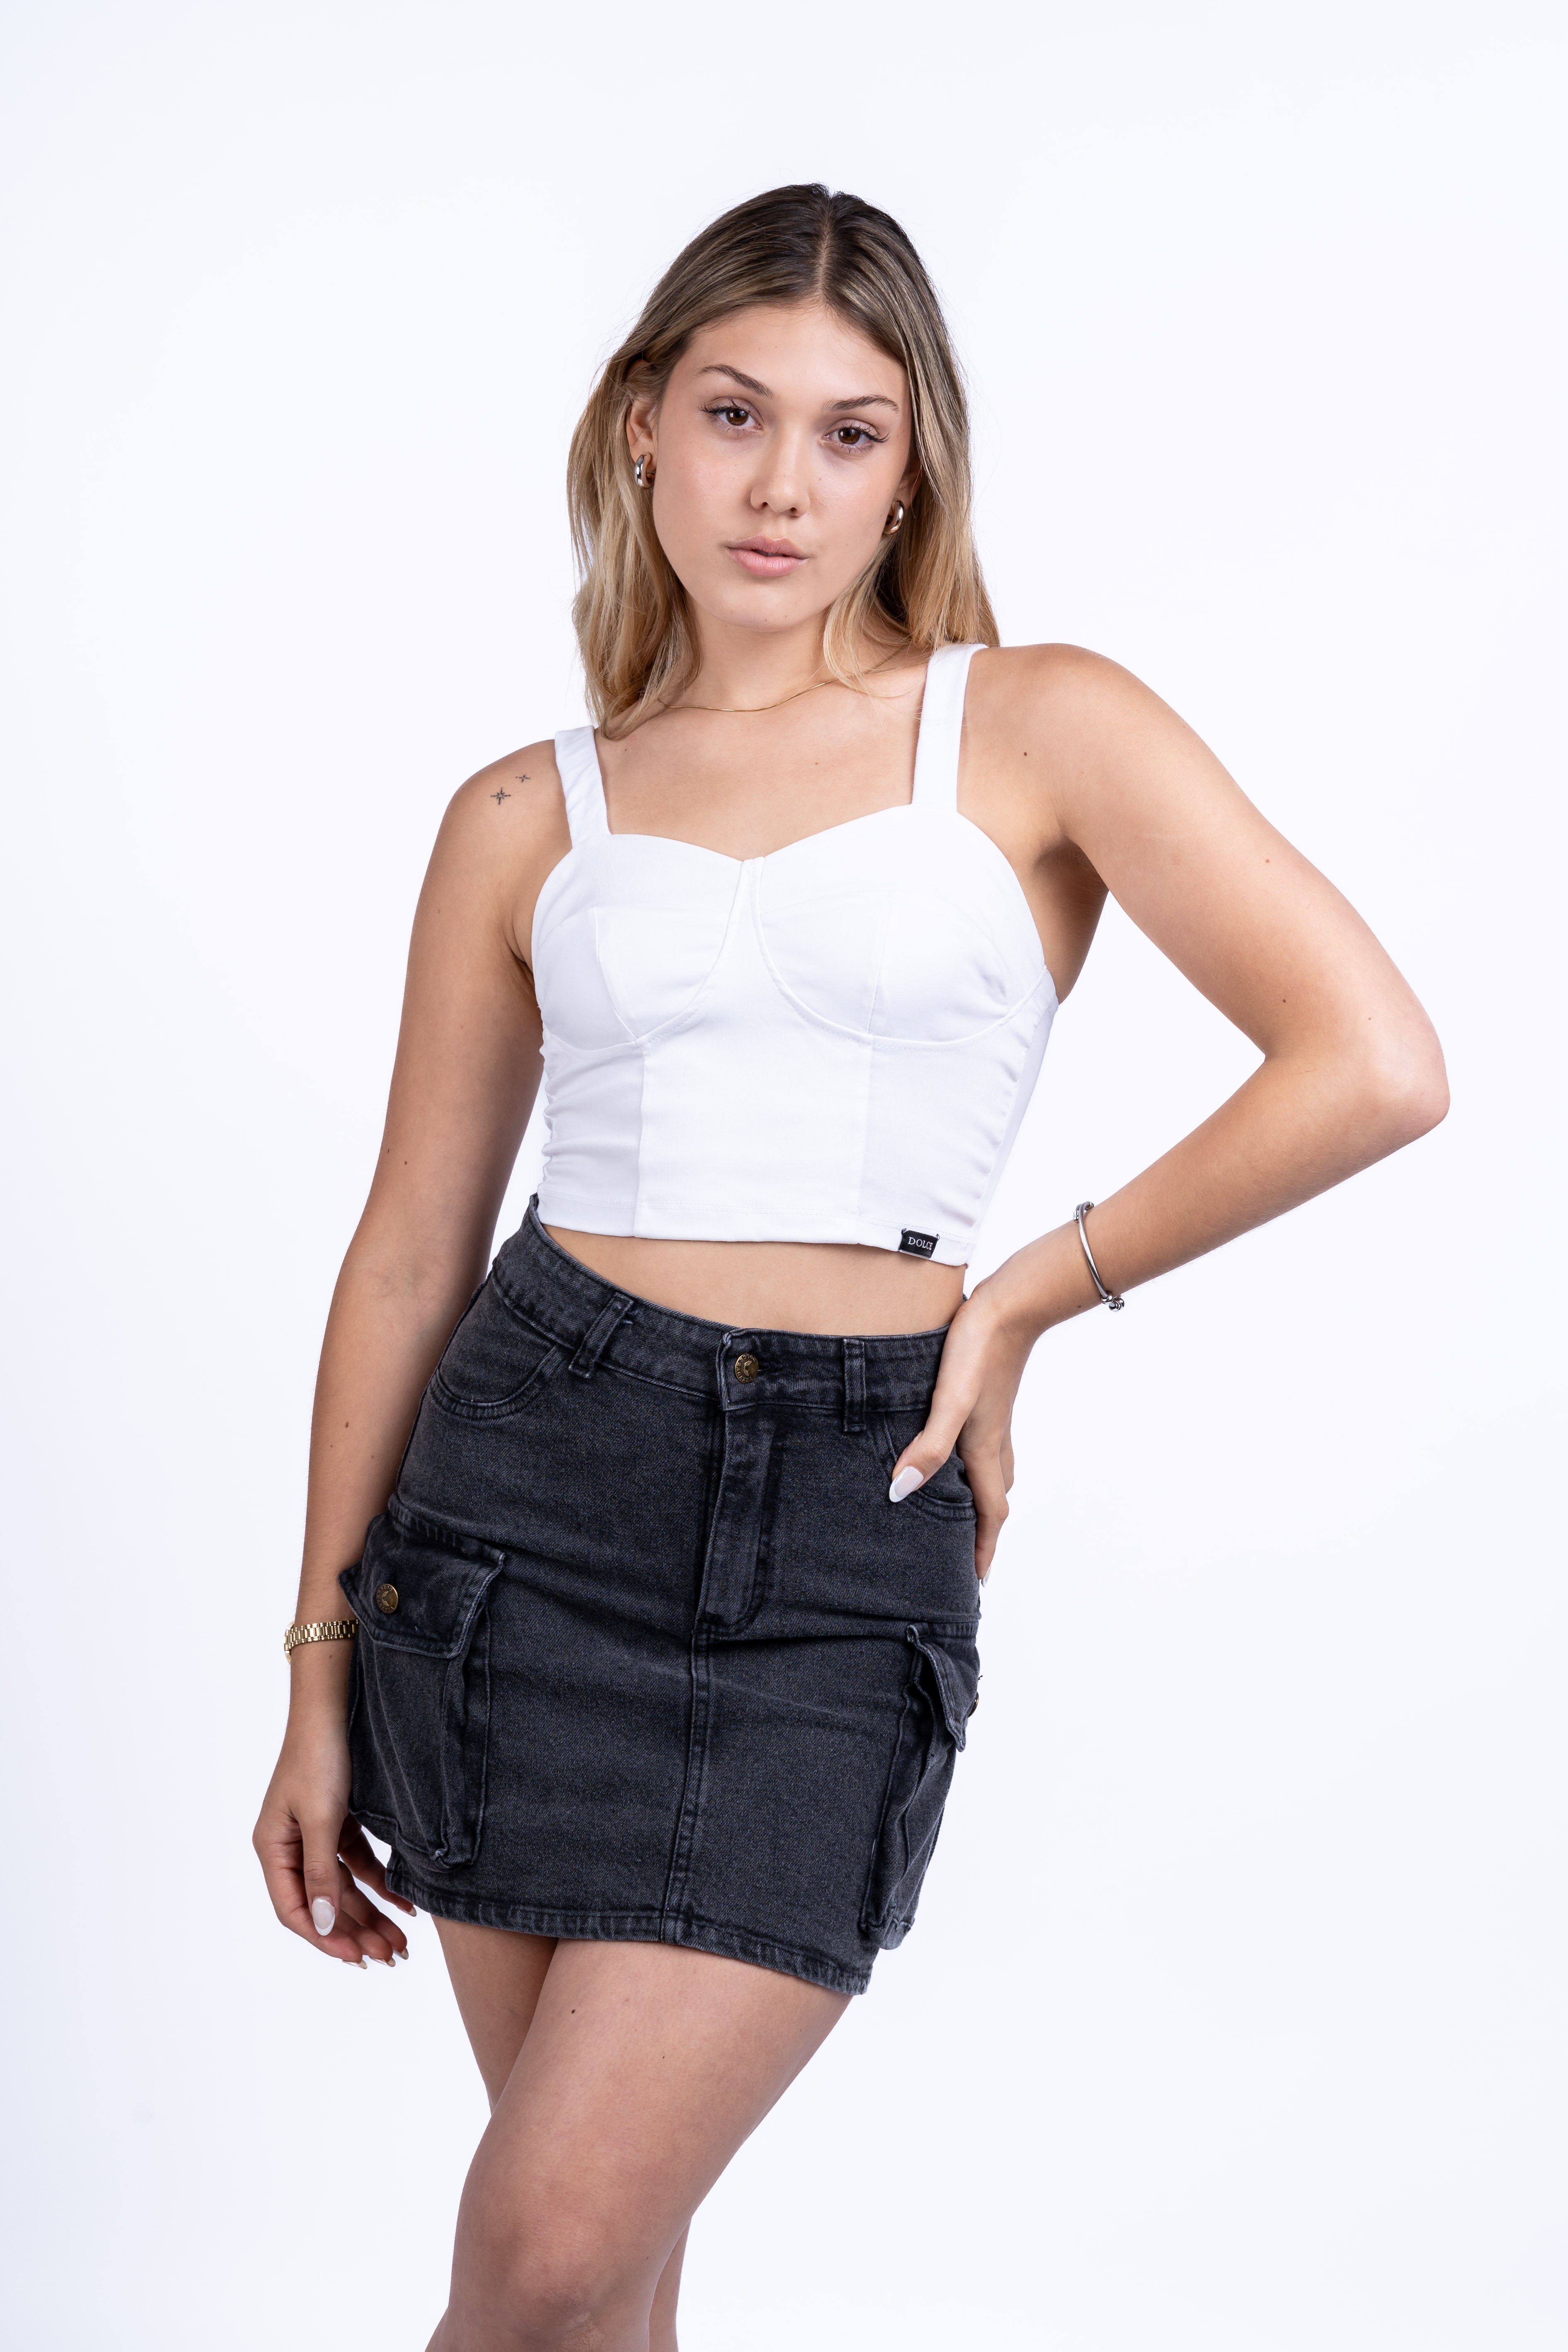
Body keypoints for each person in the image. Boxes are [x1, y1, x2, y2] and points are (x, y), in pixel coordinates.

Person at [253, 183, 1447, 2351]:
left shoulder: (1038, 723)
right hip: (521, 1509)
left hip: (839, 1532)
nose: (781, 485)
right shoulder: (526, 812)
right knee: (596, 2286)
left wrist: (1032, 1288)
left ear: (912, 470)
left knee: (540, 2249)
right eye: (733, 413)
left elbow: (1369, 1062)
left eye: (847, 431)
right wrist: (315, 1665)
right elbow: (412, 1249)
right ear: (641, 423)